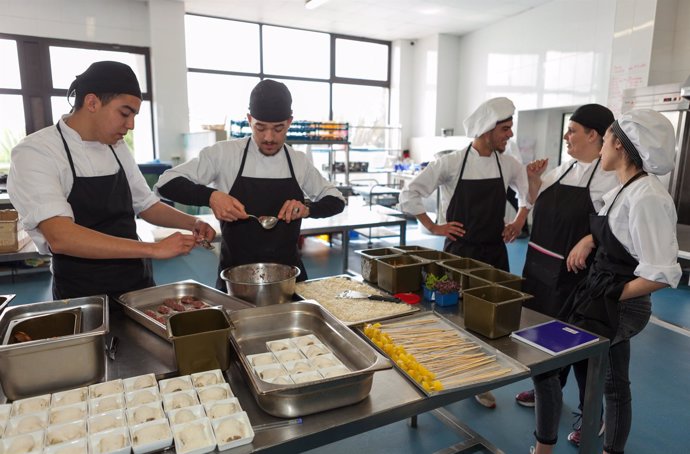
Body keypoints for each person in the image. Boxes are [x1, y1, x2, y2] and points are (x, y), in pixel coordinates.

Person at [531, 109, 682, 454]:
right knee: (605, 383)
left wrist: (614, 295)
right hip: (599, 294)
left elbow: (662, 273)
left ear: (621, 145)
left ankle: (553, 448)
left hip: (620, 304)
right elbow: (618, 235)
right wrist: (590, 240)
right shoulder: (624, 189)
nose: (600, 149)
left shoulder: (648, 197)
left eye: (607, 139)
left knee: (562, 371)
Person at [7, 61, 216, 300]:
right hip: (83, 293)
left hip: (136, 283)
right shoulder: (37, 151)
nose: (131, 125)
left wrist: (192, 222)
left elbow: (146, 204)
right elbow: (61, 237)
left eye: (134, 116)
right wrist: (153, 249)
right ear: (92, 102)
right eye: (125, 113)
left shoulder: (115, 146)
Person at [399, 97, 530, 408]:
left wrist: (518, 219)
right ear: (487, 129)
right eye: (505, 128)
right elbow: (410, 193)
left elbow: (527, 192)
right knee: (450, 317)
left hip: (495, 255)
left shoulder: (508, 163)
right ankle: (442, 371)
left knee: (489, 321)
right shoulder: (452, 163)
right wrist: (434, 226)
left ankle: (478, 379)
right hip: (458, 255)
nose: (509, 135)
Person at [155, 79, 345, 289]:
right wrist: (211, 196)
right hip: (235, 280)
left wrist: (307, 209)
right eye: (260, 128)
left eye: (278, 129)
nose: (269, 137)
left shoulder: (298, 161)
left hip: (289, 279)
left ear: (289, 122)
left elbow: (336, 200)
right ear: (249, 120)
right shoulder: (224, 154)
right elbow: (166, 183)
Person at [515, 104, 618, 409]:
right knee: (542, 338)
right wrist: (534, 181)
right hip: (539, 271)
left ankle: (591, 412)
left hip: (577, 278)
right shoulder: (564, 169)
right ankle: (548, 391)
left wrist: (591, 237)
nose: (565, 136)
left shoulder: (610, 178)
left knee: (577, 344)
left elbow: (622, 223)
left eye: (572, 130)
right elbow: (541, 204)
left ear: (593, 135)